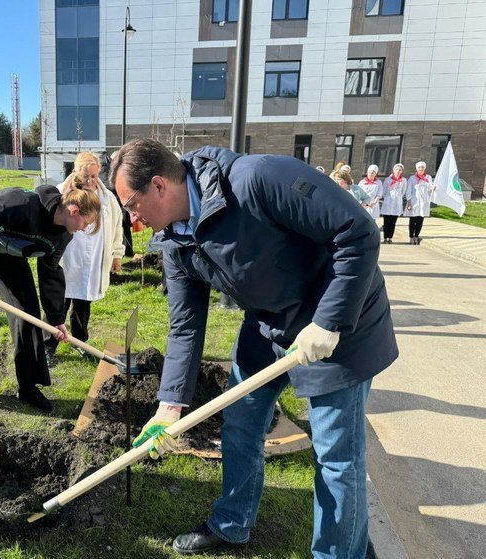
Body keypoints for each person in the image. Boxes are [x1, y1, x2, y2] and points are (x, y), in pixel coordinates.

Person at [110, 139, 397, 558]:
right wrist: (168, 405)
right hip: (267, 323)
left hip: (337, 326)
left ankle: (340, 552)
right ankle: (232, 523)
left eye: (131, 204)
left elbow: (357, 232)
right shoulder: (175, 241)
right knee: (240, 426)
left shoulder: (257, 180)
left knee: (336, 457)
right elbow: (186, 326)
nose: (131, 219)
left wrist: (329, 321)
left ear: (158, 186)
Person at [0, 184, 101, 413]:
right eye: (86, 223)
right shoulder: (19, 204)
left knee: (30, 317)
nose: (84, 229)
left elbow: (50, 272)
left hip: (9, 257)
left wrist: (55, 318)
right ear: (73, 210)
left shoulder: (63, 236)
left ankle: (28, 387)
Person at [44, 152, 124, 363]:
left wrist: (117, 254)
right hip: (68, 256)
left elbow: (117, 227)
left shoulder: (107, 198)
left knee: (83, 302)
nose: (90, 181)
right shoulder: (64, 192)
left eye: (94, 176)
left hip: (93, 257)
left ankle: (80, 341)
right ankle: (48, 345)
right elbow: (52, 209)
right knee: (59, 300)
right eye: (85, 176)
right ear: (76, 172)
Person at [404, 161, 435, 245]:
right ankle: (411, 236)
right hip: (414, 202)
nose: (421, 169)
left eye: (422, 167)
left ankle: (416, 236)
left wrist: (433, 188)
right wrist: (409, 202)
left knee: (420, 221)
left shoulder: (428, 178)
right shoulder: (412, 178)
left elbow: (429, 188)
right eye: (419, 168)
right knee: (412, 220)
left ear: (424, 168)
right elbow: (408, 191)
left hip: (423, 202)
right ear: (416, 169)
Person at [380, 163, 407, 244]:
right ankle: (385, 237)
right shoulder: (388, 179)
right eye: (396, 169)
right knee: (386, 221)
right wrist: (388, 197)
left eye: (400, 170)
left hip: (397, 203)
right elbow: (384, 191)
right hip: (388, 202)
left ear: (402, 171)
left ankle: (390, 238)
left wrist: (397, 197)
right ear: (393, 170)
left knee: (393, 222)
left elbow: (403, 192)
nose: (398, 171)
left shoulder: (404, 180)